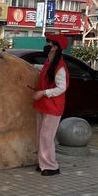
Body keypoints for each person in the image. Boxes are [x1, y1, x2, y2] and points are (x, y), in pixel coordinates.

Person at [31, 33, 69, 176]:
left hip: (53, 106)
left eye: (50, 43)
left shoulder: (60, 67)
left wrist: (43, 93)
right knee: (40, 134)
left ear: (56, 48)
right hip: (44, 104)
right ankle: (43, 163)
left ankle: (51, 166)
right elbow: (42, 70)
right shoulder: (49, 62)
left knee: (47, 136)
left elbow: (62, 88)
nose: (47, 45)